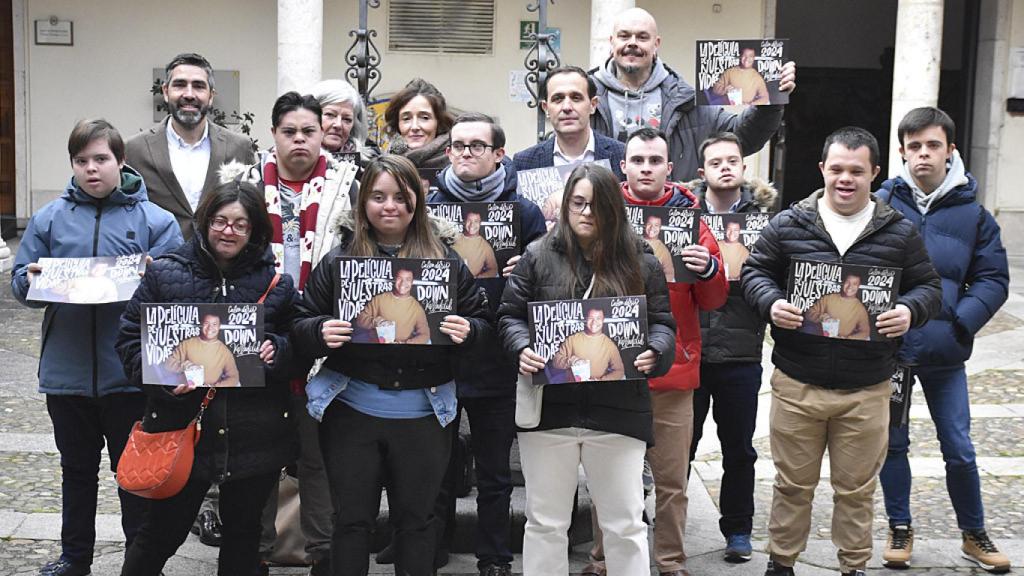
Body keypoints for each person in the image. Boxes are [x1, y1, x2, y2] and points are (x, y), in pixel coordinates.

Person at [741, 127, 942, 576]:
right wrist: (771, 302)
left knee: (856, 490)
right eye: (837, 169)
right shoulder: (790, 223)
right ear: (822, 170)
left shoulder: (899, 232)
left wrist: (910, 310)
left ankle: (853, 566)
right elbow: (756, 272)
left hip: (867, 387)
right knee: (792, 485)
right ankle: (781, 563)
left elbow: (928, 286)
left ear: (874, 172)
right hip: (797, 381)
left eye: (856, 170)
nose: (845, 179)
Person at [292, 154, 490, 576]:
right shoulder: (340, 260)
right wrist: (318, 331)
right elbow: (300, 321)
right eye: (378, 197)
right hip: (352, 411)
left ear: (416, 203)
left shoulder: (446, 261)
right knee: (350, 522)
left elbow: (484, 326)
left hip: (425, 412)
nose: (389, 206)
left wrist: (468, 330)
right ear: (363, 203)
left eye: (400, 197)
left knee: (417, 523)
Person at [10, 119, 182, 576]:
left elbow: (181, 287)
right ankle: (75, 558)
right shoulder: (49, 218)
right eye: (82, 160)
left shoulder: (156, 221)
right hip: (66, 373)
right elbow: (19, 282)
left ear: (121, 162)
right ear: (72, 165)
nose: (92, 169)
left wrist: (156, 276)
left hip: (128, 373)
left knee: (134, 476)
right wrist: (29, 282)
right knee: (77, 472)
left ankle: (140, 561)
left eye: (101, 159)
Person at [498, 162, 676, 576]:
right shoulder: (538, 256)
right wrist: (521, 347)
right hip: (550, 411)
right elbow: (509, 316)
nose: (586, 213)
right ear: (564, 206)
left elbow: (664, 323)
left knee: (625, 524)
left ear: (613, 209)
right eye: (577, 203)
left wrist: (656, 351)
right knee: (545, 523)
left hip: (618, 411)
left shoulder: (641, 260)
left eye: (596, 205)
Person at [116, 180, 297, 576]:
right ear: (204, 223)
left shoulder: (276, 285)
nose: (228, 231)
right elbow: (129, 339)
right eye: (219, 221)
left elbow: (296, 343)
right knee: (159, 534)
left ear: (254, 231)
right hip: (182, 429)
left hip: (253, 436)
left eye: (239, 224)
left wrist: (278, 352)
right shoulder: (165, 275)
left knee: (243, 539)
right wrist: (162, 382)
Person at [219, 90, 357, 574]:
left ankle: (324, 553)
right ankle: (253, 551)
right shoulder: (243, 184)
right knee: (255, 457)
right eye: (289, 131)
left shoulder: (351, 186)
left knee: (319, 458)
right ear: (273, 136)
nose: (300, 139)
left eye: (309, 131)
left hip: (326, 337)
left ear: (325, 134)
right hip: (261, 336)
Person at [587, 126, 728, 576]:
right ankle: (602, 559)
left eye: (654, 161)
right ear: (623, 166)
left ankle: (670, 562)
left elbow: (713, 301)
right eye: (637, 161)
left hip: (673, 372)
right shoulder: (599, 216)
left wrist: (709, 270)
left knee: (672, 480)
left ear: (670, 168)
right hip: (613, 369)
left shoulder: (693, 218)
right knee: (608, 479)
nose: (645, 168)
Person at [876, 107, 1011, 573]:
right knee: (893, 443)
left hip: (944, 352)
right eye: (914, 147)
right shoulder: (881, 203)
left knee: (959, 445)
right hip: (891, 352)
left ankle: (974, 533)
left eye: (932, 145)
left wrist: (960, 323)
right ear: (902, 152)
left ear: (949, 149)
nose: (923, 155)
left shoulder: (974, 214)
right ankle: (899, 527)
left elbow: (993, 278)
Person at [427, 112, 547, 576]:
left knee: (495, 472)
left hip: (499, 358)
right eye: (457, 146)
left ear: (500, 153)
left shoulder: (524, 210)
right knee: (436, 466)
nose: (465, 154)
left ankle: (494, 555)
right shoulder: (430, 205)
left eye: (477, 146)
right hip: (440, 356)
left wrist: (529, 270)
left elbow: (552, 278)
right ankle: (431, 547)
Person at [688, 131, 777, 563]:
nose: (726, 167)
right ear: (702, 172)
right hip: (688, 350)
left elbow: (778, 279)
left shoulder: (768, 223)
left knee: (738, 448)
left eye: (733, 160)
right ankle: (664, 521)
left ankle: (738, 529)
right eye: (716, 161)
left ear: (744, 169)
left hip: (741, 351)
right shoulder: (681, 216)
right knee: (676, 447)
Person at [589, 7, 796, 180]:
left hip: (672, 220)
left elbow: (742, 136)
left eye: (642, 37)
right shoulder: (584, 98)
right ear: (612, 41)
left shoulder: (688, 102)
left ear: (656, 44)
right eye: (624, 36)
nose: (632, 42)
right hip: (605, 221)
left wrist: (772, 96)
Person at [126, 52, 256, 239]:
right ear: (165, 91)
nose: (189, 94)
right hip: (158, 262)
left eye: (198, 86)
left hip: (220, 265)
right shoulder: (135, 149)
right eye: (179, 85)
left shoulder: (239, 148)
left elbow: (250, 210)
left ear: (211, 96)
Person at [513, 65, 627, 181]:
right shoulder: (525, 162)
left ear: (593, 105)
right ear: (545, 108)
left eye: (576, 98)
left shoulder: (621, 154)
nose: (567, 107)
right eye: (558, 99)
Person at [385, 78, 455, 179]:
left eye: (424, 118)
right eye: (406, 119)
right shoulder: (386, 164)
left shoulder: (457, 163)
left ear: (439, 122)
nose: (414, 127)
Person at [310, 78, 380, 168]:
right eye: (330, 115)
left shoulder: (370, 163)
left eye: (347, 119)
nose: (338, 124)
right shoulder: (294, 157)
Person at [353, 267, 430, 344]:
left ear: (412, 282)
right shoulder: (379, 299)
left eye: (408, 279)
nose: (403, 283)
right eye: (400, 278)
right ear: (395, 279)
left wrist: (408, 343)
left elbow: (425, 334)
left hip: (403, 350)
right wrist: (375, 322)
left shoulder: (416, 308)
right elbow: (360, 319)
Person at [163, 312, 241, 387]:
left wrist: (214, 387)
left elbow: (234, 378)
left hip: (211, 394)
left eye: (214, 324)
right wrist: (183, 366)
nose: (210, 328)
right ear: (201, 324)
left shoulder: (224, 352)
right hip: (187, 391)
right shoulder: (187, 344)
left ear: (219, 326)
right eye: (207, 323)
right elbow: (167, 364)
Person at [551, 307, 625, 382]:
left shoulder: (609, 345)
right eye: (590, 318)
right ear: (586, 319)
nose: (594, 322)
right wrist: (571, 361)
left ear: (603, 320)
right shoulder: (572, 340)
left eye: (598, 318)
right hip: (573, 387)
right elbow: (555, 361)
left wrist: (601, 381)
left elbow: (619, 371)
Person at [803, 273, 870, 340]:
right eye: (847, 282)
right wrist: (822, 317)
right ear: (843, 282)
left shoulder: (860, 309)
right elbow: (808, 313)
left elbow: (865, 332)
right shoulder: (828, 299)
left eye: (854, 284)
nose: (850, 286)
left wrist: (846, 339)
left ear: (858, 286)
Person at [453, 210, 499, 278]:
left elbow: (493, 270)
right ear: (464, 221)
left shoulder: (485, 246)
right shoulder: (453, 238)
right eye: (469, 220)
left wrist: (477, 279)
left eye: (476, 221)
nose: (472, 224)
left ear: (480, 223)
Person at [642, 214, 674, 282]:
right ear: (645, 225)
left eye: (656, 225)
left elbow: (669, 273)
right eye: (649, 224)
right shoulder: (633, 239)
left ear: (660, 228)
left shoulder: (663, 250)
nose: (652, 227)